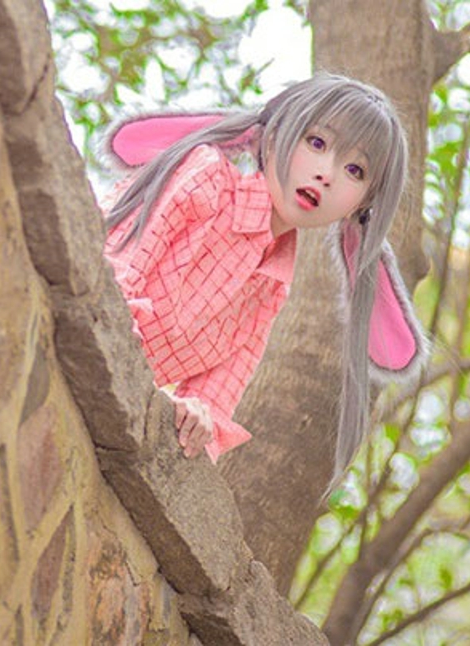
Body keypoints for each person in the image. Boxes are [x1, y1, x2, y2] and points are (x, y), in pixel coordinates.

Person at [101, 73, 426, 486]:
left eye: (355, 170)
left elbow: (212, 403)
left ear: (359, 207)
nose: (326, 174)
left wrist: (197, 417)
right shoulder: (203, 174)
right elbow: (114, 276)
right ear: (272, 137)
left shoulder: (271, 289)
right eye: (317, 143)